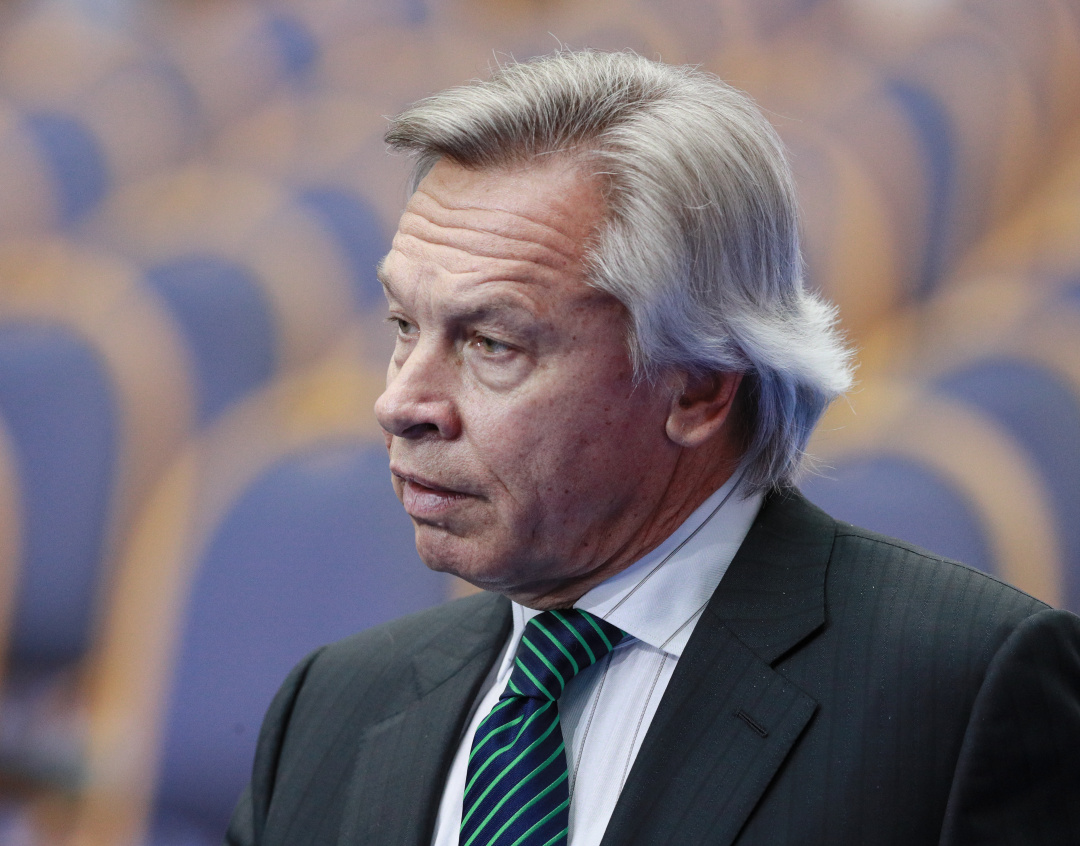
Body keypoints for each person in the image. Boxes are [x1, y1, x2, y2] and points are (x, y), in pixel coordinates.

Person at [225, 50, 1080, 846]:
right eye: (403, 326)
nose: (399, 403)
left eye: (491, 343)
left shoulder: (965, 696)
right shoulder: (328, 709)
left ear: (699, 385)